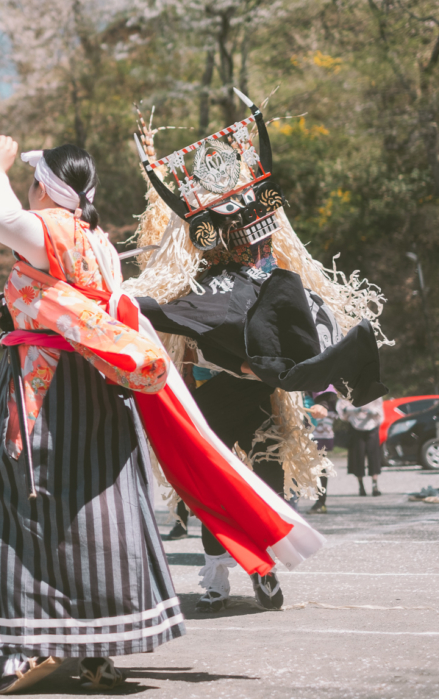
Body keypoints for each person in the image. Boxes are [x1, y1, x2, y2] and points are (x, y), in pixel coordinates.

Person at [0, 135, 324, 694]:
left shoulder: (44, 225)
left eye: (32, 181)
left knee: (12, 503)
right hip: (101, 388)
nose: (25, 189)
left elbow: (0, 217)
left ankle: (26, 645)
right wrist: (3, 310)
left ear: (45, 187)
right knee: (99, 510)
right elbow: (71, 302)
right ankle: (99, 649)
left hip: (45, 392)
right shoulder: (97, 240)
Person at [126, 94, 387, 612]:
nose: (255, 244)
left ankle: (263, 566)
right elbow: (166, 312)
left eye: (258, 236)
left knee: (266, 474)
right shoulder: (201, 287)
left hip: (263, 394)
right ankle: (219, 572)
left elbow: (310, 327)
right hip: (211, 394)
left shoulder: (281, 281)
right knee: (213, 484)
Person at [336, 396, 384, 496]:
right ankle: (361, 485)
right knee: (358, 456)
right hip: (355, 426)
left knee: (373, 455)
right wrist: (355, 409)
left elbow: (379, 409)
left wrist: (372, 411)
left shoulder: (374, 390)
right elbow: (342, 408)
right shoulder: (349, 390)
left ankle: (375, 485)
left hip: (371, 425)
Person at [304, 388, 339, 514]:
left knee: (319, 463)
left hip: (318, 422)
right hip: (298, 418)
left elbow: (329, 393)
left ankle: (321, 501)